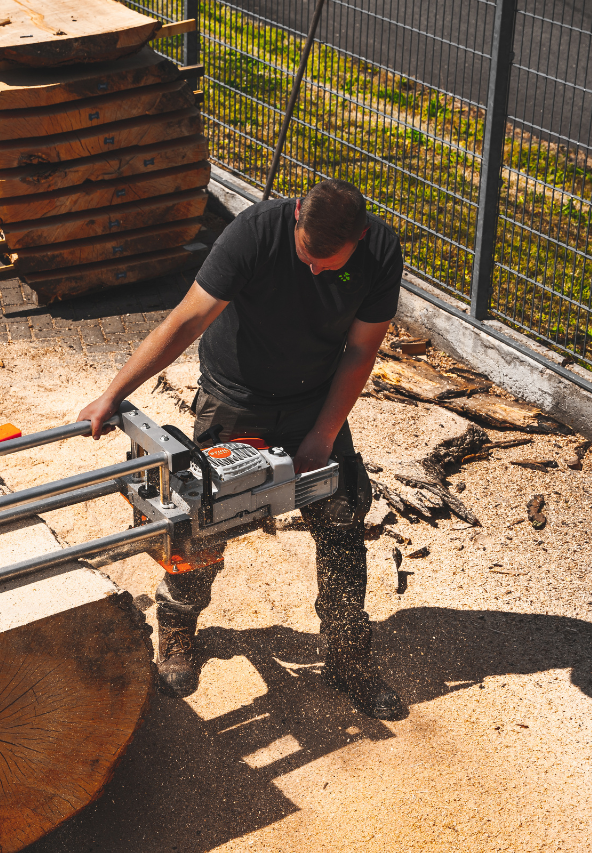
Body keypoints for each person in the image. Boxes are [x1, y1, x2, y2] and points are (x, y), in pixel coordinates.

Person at [77, 178, 406, 720]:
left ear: (362, 236)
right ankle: (179, 625)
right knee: (202, 519)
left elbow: (360, 351)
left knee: (344, 524)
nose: (318, 273)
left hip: (316, 401)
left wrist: (323, 435)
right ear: (296, 217)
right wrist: (113, 394)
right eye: (308, 259)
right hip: (236, 399)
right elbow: (186, 319)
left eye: (331, 265)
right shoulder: (252, 234)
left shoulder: (380, 252)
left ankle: (348, 657)